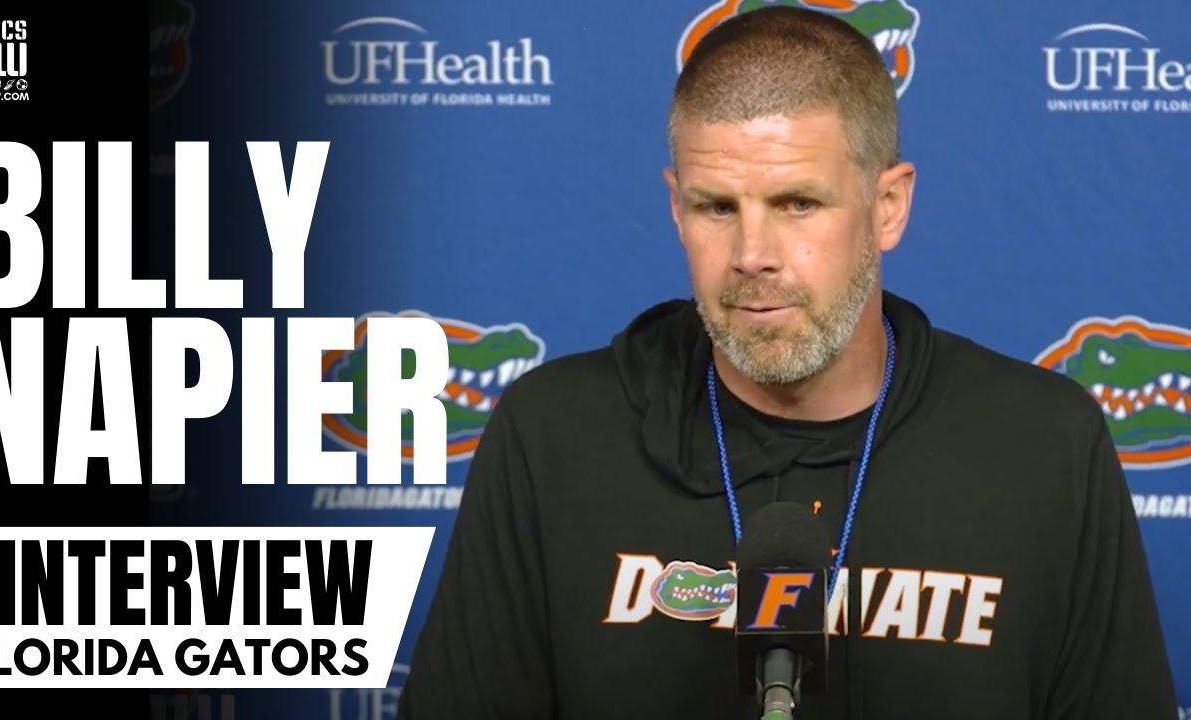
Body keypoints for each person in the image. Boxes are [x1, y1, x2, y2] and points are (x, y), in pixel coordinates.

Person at [396, 6, 1178, 719]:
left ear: (888, 206)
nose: (752, 255)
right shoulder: (556, 434)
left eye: (797, 204)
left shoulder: (1043, 443)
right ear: (675, 207)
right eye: (716, 207)